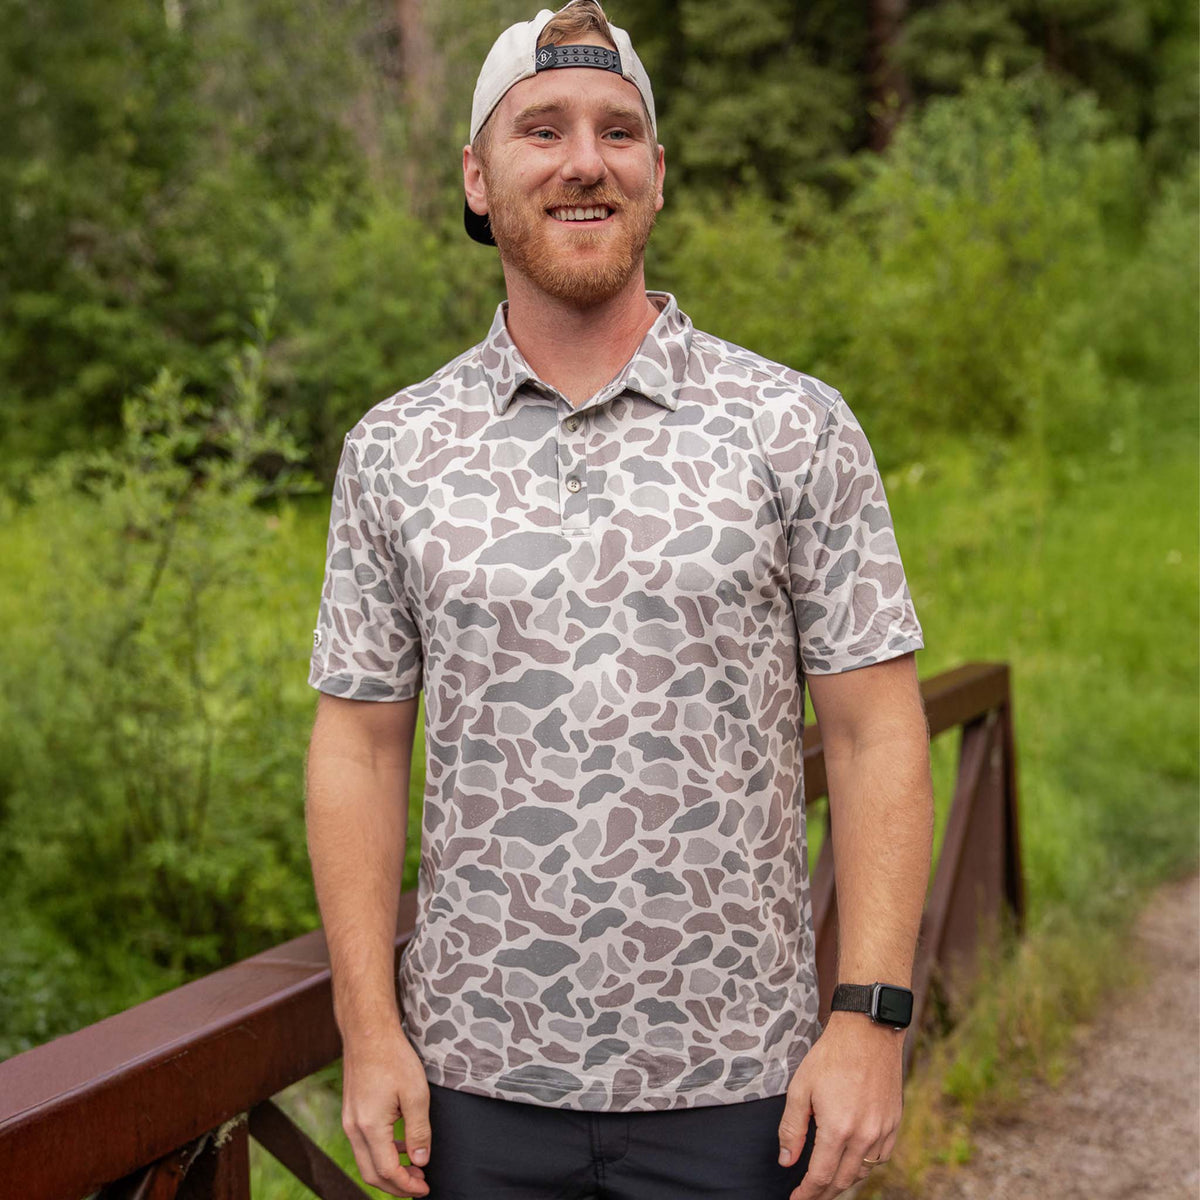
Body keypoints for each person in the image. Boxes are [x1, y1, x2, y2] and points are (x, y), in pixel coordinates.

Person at [304, 2, 935, 1197]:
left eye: (617, 130)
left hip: (747, 1090)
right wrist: (367, 1026)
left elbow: (873, 730)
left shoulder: (794, 427)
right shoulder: (396, 451)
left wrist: (870, 1019)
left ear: (656, 173)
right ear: (478, 178)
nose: (584, 159)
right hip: (470, 1092)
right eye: (540, 129)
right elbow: (360, 747)